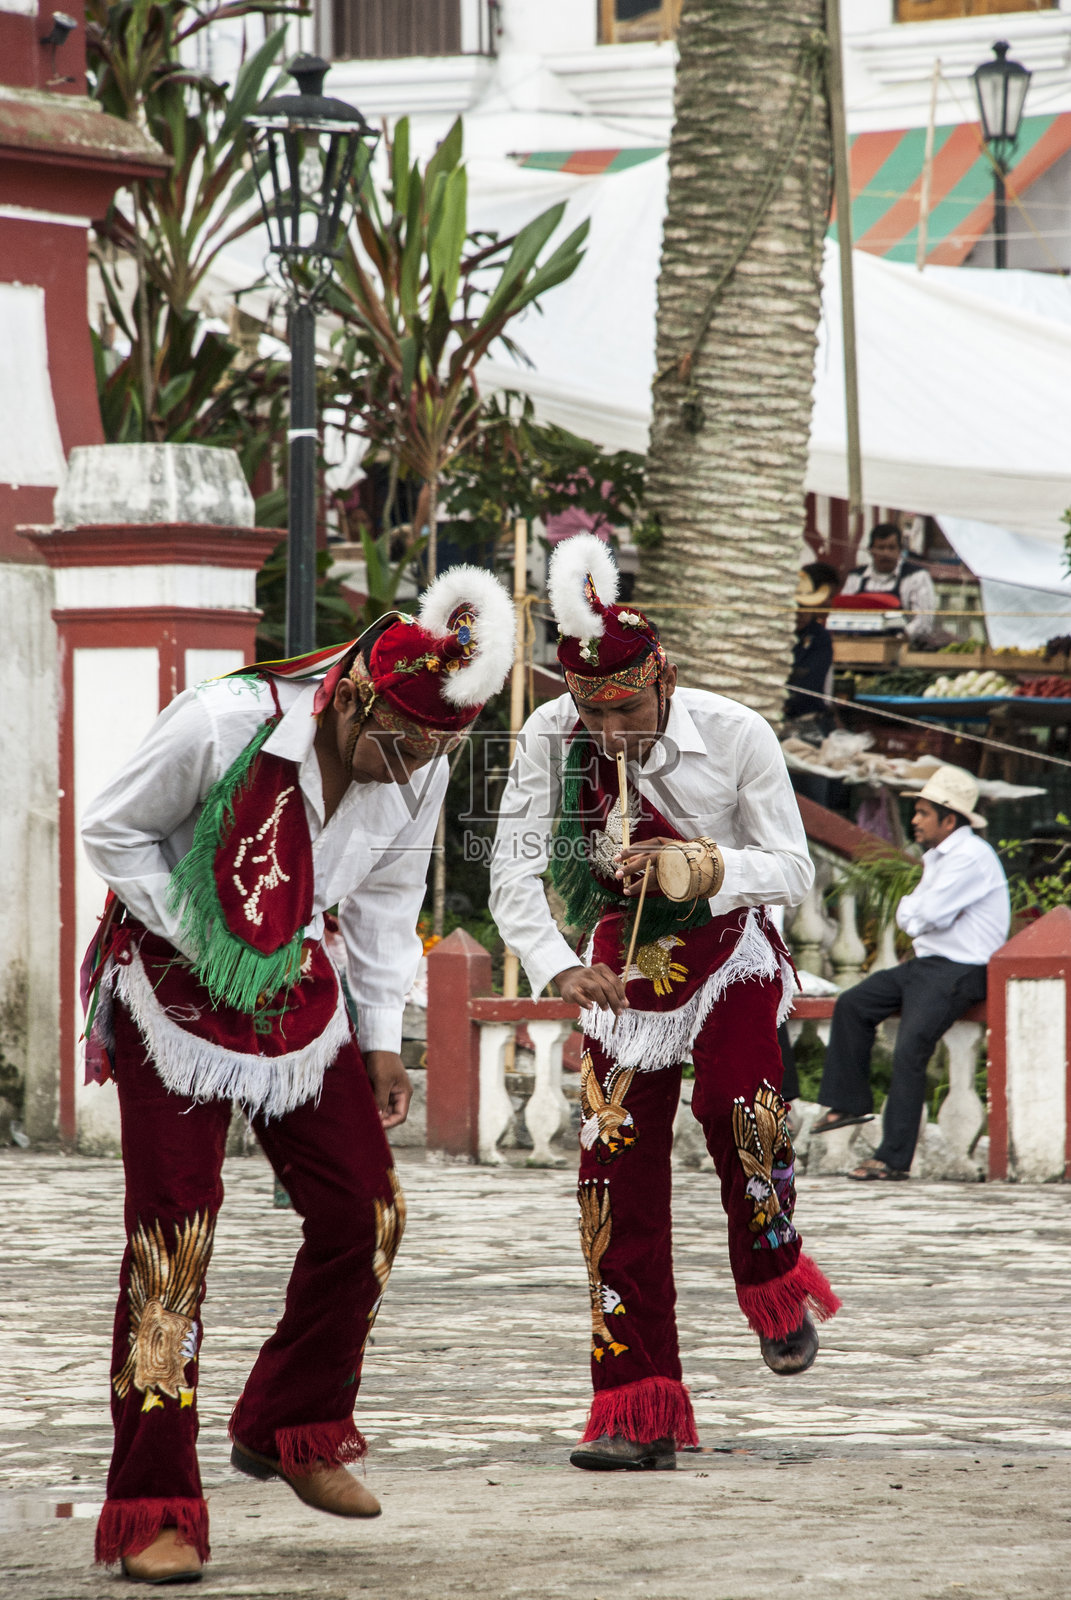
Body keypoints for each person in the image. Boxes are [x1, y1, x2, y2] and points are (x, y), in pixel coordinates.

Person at [79, 568, 514, 1582]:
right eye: (401, 746)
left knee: (368, 1211)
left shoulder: (422, 757)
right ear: (355, 693)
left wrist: (381, 1041)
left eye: (434, 753)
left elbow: (386, 898)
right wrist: (214, 932)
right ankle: (154, 1504)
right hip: (171, 981)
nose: (412, 768)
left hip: (299, 987)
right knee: (173, 1236)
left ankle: (293, 1420)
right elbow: (113, 829)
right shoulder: (224, 721)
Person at [488, 534, 840, 1472]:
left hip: (730, 948)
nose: (608, 735)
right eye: (589, 714)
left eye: (626, 710)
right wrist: (557, 965)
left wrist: (707, 866)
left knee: (739, 1107)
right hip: (621, 964)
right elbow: (513, 868)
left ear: (665, 679)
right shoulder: (548, 737)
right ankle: (632, 1404)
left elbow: (793, 869)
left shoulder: (736, 733)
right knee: (609, 1168)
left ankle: (773, 1279)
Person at [813, 765, 1010, 1180]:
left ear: (949, 819)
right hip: (928, 966)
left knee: (910, 1049)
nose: (914, 821)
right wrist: (917, 913)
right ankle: (847, 1103)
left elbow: (925, 916)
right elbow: (912, 915)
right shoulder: (939, 857)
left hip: (962, 968)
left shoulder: (971, 857)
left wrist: (917, 913)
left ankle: (892, 1159)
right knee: (853, 1004)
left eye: (922, 813)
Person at [840, 522, 937, 641]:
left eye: (891, 548)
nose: (886, 553)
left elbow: (924, 621)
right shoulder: (856, 577)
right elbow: (843, 614)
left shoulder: (917, 576)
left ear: (900, 550)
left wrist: (897, 639)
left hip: (901, 649)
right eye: (881, 548)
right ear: (871, 550)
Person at [785, 561, 839, 721]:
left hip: (806, 716)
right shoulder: (777, 635)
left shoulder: (819, 637)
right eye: (795, 606)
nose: (800, 613)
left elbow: (812, 683)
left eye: (805, 606)